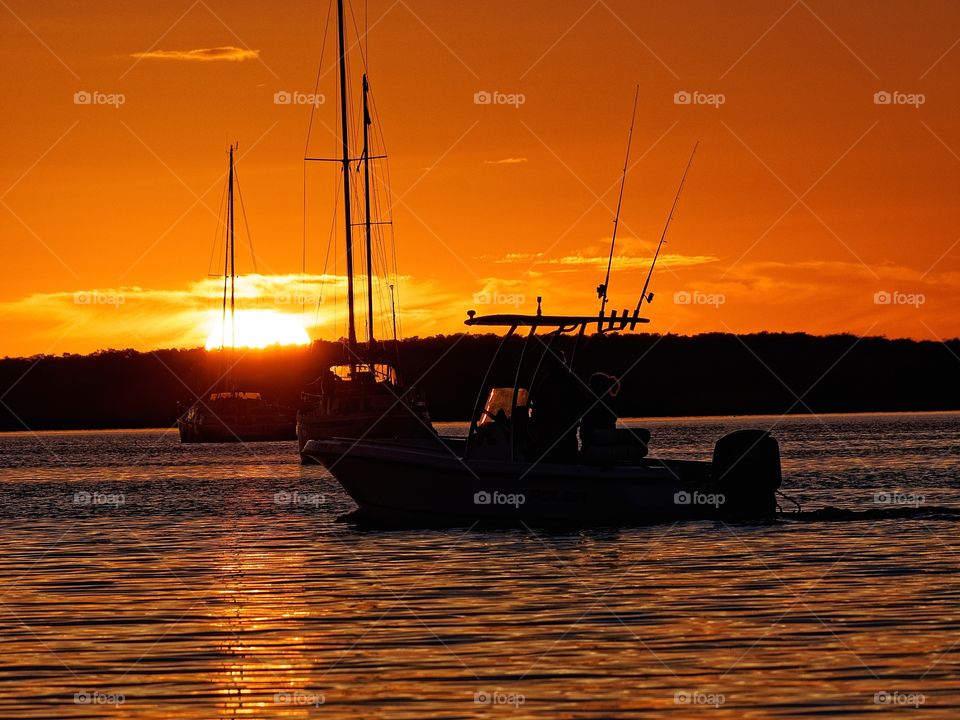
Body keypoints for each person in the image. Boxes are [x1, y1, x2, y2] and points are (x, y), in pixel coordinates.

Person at [529, 350, 583, 463]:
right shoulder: (570, 381)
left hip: (554, 435)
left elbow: (540, 407)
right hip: (564, 433)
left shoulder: (550, 383)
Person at [580, 372, 621, 448]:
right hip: (606, 443)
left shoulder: (591, 402)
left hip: (594, 444)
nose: (589, 387)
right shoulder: (612, 402)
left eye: (591, 385)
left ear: (597, 386)